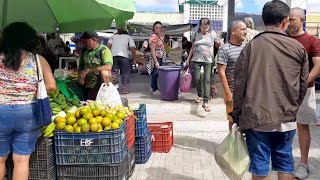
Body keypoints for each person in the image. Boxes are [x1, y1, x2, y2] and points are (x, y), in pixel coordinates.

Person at [231, 1, 309, 179]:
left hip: (257, 118)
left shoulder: (251, 47)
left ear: (264, 20)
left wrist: (236, 113)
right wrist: (293, 107)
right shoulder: (298, 47)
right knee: (285, 164)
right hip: (286, 116)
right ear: (284, 21)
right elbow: (303, 84)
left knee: (259, 166)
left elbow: (239, 84)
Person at [0, 22, 56, 180]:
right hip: (28, 113)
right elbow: (51, 86)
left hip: (1, 111)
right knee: (21, 160)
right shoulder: (38, 60)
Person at [287, 7, 320, 179]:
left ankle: (304, 164)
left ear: (302, 20)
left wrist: (302, 83)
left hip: (304, 91)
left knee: (302, 126)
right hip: (283, 91)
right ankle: (282, 160)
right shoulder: (282, 39)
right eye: (288, 19)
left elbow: (318, 66)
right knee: (280, 125)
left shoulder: (311, 40)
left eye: (292, 19)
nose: (289, 22)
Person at [217, 20, 247, 131]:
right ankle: (233, 144)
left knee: (245, 119)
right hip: (232, 91)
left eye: (246, 29)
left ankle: (242, 144)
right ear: (233, 31)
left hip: (246, 91)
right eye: (242, 29)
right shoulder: (224, 49)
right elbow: (221, 72)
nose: (245, 32)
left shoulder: (246, 48)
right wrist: (228, 93)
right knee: (233, 120)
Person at [186, 18, 217, 112]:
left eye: (206, 28)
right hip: (196, 59)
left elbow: (217, 45)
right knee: (197, 78)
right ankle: (200, 94)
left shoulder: (213, 34)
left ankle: (206, 101)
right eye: (203, 28)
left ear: (209, 26)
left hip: (208, 60)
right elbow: (192, 47)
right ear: (199, 26)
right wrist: (188, 59)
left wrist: (219, 44)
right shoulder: (195, 34)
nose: (204, 30)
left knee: (207, 80)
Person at [78, 31, 113, 100]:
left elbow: (108, 66)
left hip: (100, 81)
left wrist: (89, 70)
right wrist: (80, 76)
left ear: (94, 40)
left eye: (86, 42)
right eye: (83, 42)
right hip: (88, 82)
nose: (84, 44)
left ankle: (105, 93)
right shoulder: (84, 51)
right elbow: (81, 66)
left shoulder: (103, 50)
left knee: (104, 72)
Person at [107, 26, 136, 94]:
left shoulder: (113, 36)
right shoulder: (128, 37)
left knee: (114, 73)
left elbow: (108, 44)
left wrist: (109, 54)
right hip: (124, 57)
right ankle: (124, 90)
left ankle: (114, 89)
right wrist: (134, 57)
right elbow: (132, 48)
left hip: (114, 56)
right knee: (125, 74)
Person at [149, 21, 166, 94]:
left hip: (160, 57)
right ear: (154, 28)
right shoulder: (154, 37)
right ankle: (154, 88)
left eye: (160, 28)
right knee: (156, 73)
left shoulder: (160, 36)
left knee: (156, 73)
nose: (158, 29)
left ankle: (153, 87)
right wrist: (156, 61)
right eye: (156, 28)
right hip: (156, 57)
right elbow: (152, 50)